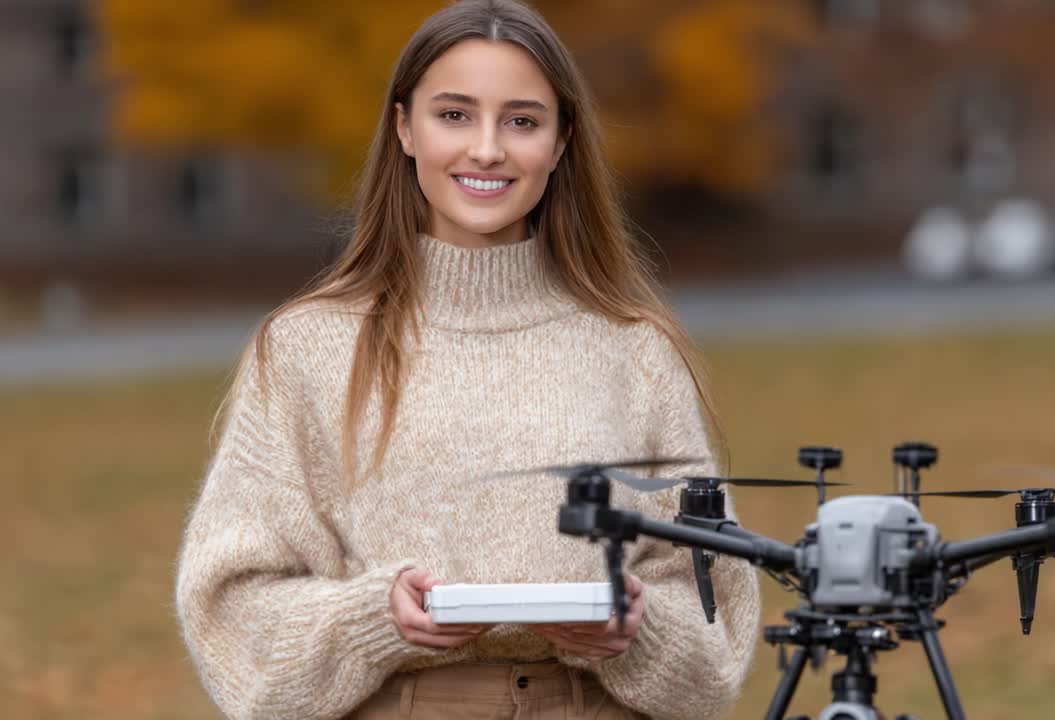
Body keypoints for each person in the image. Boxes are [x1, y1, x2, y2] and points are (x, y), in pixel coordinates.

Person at [173, 1, 761, 719]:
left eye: (521, 120)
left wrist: (638, 630)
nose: (487, 149)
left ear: (562, 139)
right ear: (404, 128)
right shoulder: (307, 348)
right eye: (454, 115)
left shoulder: (634, 348)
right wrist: (373, 619)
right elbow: (232, 609)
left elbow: (714, 611)